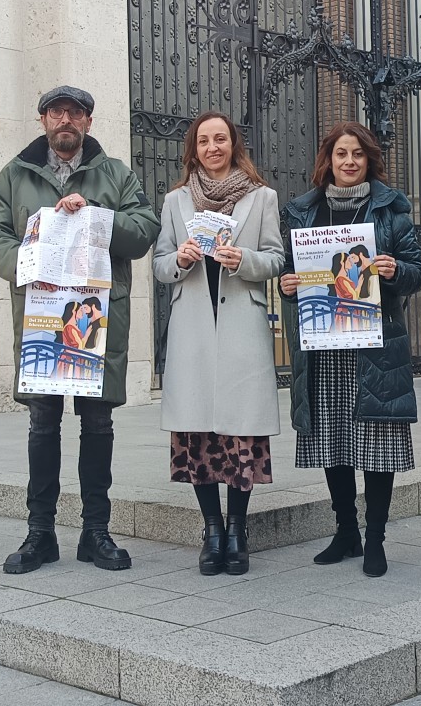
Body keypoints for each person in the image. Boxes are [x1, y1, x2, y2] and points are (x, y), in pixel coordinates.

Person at [0, 85, 161, 575]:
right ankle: (40, 534)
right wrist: (25, 260)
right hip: (41, 316)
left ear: (88, 122)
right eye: (56, 112)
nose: (65, 120)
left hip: (95, 320)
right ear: (42, 121)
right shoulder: (15, 175)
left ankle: (95, 532)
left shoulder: (114, 174)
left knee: (98, 424)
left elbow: (144, 229)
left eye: (74, 113)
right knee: (43, 425)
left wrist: (98, 217)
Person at [280, 121, 421, 577]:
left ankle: (376, 538)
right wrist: (287, 285)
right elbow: (293, 272)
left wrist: (394, 269)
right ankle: (346, 532)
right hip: (323, 347)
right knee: (335, 442)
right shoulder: (304, 213)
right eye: (340, 154)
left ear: (369, 160)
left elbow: (417, 271)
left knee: (377, 442)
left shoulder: (391, 211)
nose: (348, 162)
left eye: (357, 154)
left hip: (375, 343)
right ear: (328, 160)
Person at [153, 110, 284, 577]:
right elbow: (159, 263)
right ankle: (211, 531)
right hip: (193, 328)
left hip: (241, 327)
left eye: (221, 139)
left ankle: (237, 530)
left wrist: (243, 258)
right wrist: (181, 260)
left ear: (234, 145)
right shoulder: (175, 202)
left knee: (240, 433)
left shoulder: (261, 197)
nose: (213, 147)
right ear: (194, 148)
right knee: (197, 434)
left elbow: (275, 258)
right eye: (204, 140)